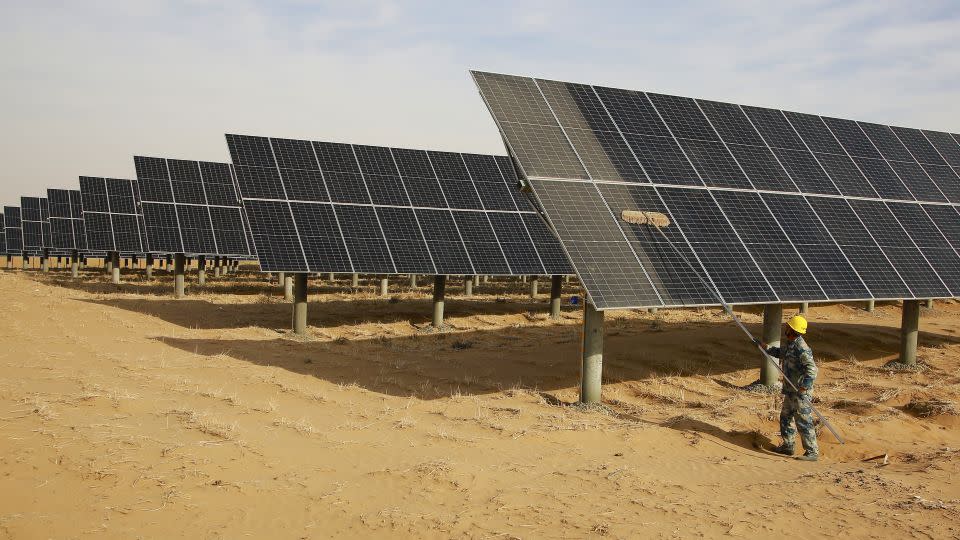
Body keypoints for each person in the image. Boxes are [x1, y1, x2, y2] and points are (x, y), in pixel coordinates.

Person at [759, 315, 819, 461]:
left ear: (793, 330)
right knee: (785, 417)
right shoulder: (791, 344)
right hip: (790, 391)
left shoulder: (801, 348)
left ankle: (812, 452)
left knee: (803, 421)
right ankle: (788, 446)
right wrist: (765, 347)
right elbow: (781, 353)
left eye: (788, 327)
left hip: (800, 393)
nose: (785, 329)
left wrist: (804, 387)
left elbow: (812, 370)